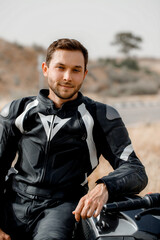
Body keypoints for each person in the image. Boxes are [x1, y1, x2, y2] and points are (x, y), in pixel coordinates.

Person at [0, 38, 148, 240]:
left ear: (85, 74)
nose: (67, 77)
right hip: (12, 203)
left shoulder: (100, 115)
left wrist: (104, 187)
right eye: (60, 68)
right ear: (45, 69)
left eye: (76, 70)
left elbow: (135, 170)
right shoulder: (17, 110)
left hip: (62, 209)